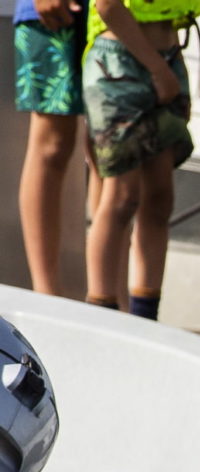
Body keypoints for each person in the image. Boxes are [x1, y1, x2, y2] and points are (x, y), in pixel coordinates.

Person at [81, 0, 200, 320]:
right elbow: (108, 6)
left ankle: (146, 316)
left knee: (160, 196)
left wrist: (166, 67)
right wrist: (158, 70)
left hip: (168, 57)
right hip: (119, 62)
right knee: (122, 196)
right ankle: (102, 313)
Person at [13, 0, 92, 296]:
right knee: (52, 145)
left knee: (110, 150)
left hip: (123, 16)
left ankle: (107, 299)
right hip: (54, 14)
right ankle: (45, 294)